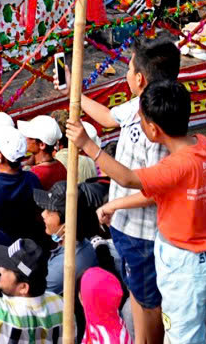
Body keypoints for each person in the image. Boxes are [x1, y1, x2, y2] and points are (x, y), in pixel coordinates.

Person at [80, 41, 178, 344]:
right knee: (137, 291)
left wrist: (88, 146)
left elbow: (155, 189)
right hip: (124, 224)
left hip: (143, 231)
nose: (126, 75)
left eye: (130, 69)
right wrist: (75, 94)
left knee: (149, 301)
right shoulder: (137, 106)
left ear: (141, 79)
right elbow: (109, 118)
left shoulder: (159, 123)